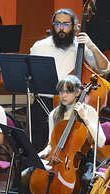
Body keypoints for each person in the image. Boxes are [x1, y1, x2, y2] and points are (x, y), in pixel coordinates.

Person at [21, 75, 105, 194]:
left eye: (68, 91)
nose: (64, 95)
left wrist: (85, 118)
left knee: (91, 182)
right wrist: (38, 156)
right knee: (26, 177)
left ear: (79, 93)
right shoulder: (55, 114)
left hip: (83, 158)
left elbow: (100, 141)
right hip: (57, 157)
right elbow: (51, 145)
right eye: (61, 91)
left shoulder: (89, 111)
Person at [29, 8, 110, 151]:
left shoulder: (81, 46)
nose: (61, 28)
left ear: (74, 26)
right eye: (58, 24)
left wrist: (91, 45)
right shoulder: (39, 47)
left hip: (73, 104)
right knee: (41, 146)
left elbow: (105, 68)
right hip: (44, 102)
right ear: (52, 25)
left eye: (66, 24)